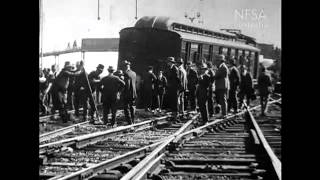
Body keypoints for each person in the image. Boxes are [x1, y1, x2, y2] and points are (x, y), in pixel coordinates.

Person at [122, 60, 137, 124]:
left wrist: (123, 92)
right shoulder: (134, 73)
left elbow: (127, 85)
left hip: (127, 93)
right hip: (133, 93)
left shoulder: (126, 74)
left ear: (125, 66)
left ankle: (129, 122)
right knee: (132, 107)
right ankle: (133, 121)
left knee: (126, 108)